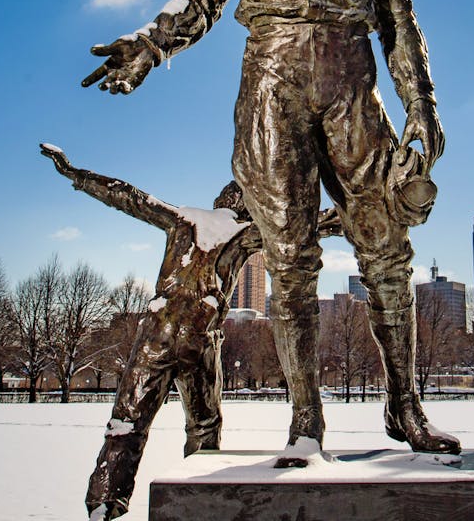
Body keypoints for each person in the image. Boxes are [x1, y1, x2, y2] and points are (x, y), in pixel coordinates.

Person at [82, 0, 458, 463]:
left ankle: (405, 404)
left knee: (384, 246)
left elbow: (397, 12)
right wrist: (151, 45)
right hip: (271, 83)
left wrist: (422, 105)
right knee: (289, 257)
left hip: (351, 78)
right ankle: (305, 421)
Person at [39, 143, 344, 518]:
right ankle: (185, 501)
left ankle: (117, 504)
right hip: (191, 343)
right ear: (245, 204)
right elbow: (312, 225)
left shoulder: (188, 220)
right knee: (192, 427)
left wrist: (75, 174)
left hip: (164, 338)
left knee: (133, 424)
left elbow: (127, 196)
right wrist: (358, 211)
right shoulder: (237, 230)